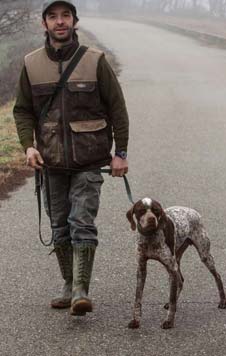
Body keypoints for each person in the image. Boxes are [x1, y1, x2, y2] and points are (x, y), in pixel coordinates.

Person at [13, 0, 129, 316]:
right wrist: (28, 146)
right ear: (44, 24)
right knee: (59, 227)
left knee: (81, 221)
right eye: (53, 16)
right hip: (49, 162)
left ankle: (80, 290)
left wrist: (120, 153)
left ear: (75, 22)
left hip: (89, 161)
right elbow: (22, 110)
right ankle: (68, 285)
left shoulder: (95, 61)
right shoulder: (31, 64)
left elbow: (117, 108)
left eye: (66, 16)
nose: (60, 22)